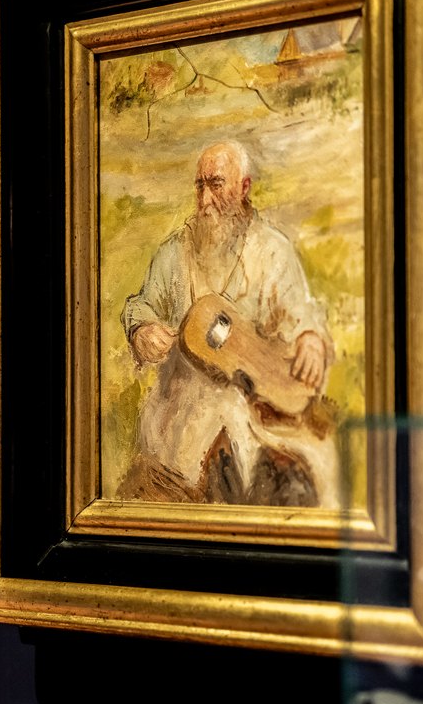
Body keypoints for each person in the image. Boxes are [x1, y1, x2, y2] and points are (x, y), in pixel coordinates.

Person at [119, 140, 340, 508]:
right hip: (183, 416)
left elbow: (301, 313)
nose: (205, 200)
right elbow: (141, 306)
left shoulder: (272, 251)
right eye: (200, 186)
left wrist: (311, 339)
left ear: (244, 187)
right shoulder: (175, 252)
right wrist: (142, 331)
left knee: (300, 472)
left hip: (258, 413)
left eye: (216, 184)